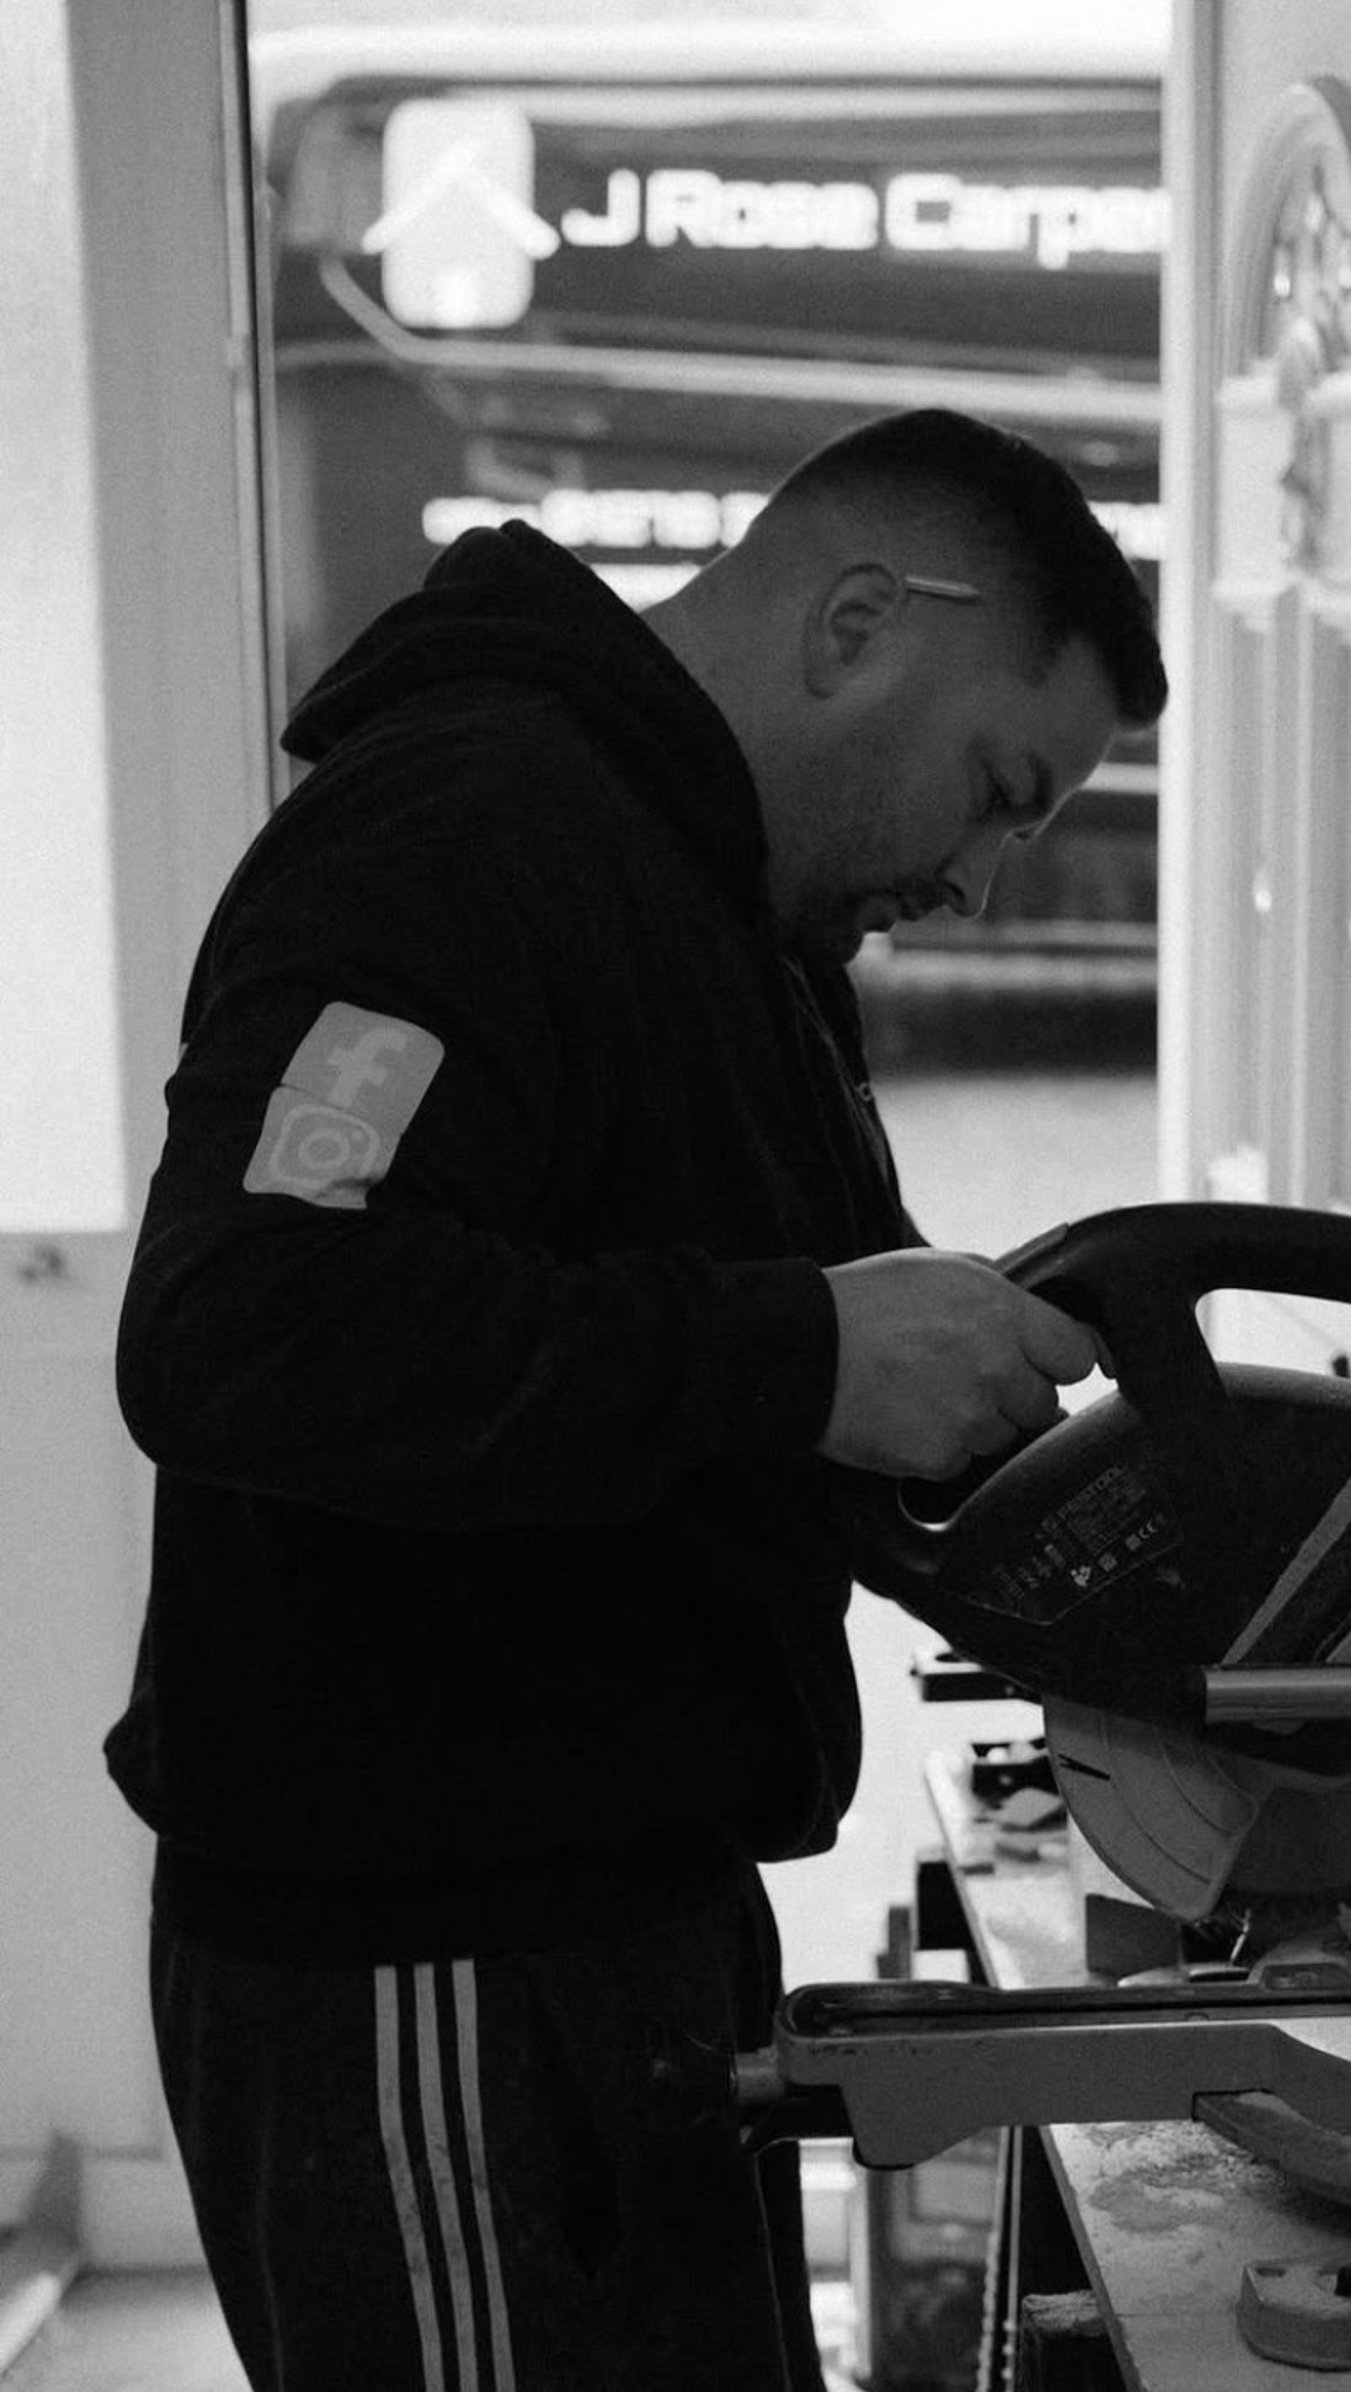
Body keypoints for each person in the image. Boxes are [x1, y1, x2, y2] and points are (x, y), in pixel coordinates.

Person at [105, 406, 1167, 2391]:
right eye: (998, 788)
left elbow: (790, 1362)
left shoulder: (737, 915)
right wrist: (815, 1359)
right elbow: (247, 1316)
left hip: (620, 1908)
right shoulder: (460, 842)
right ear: (858, 625)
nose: (991, 878)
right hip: (427, 1946)